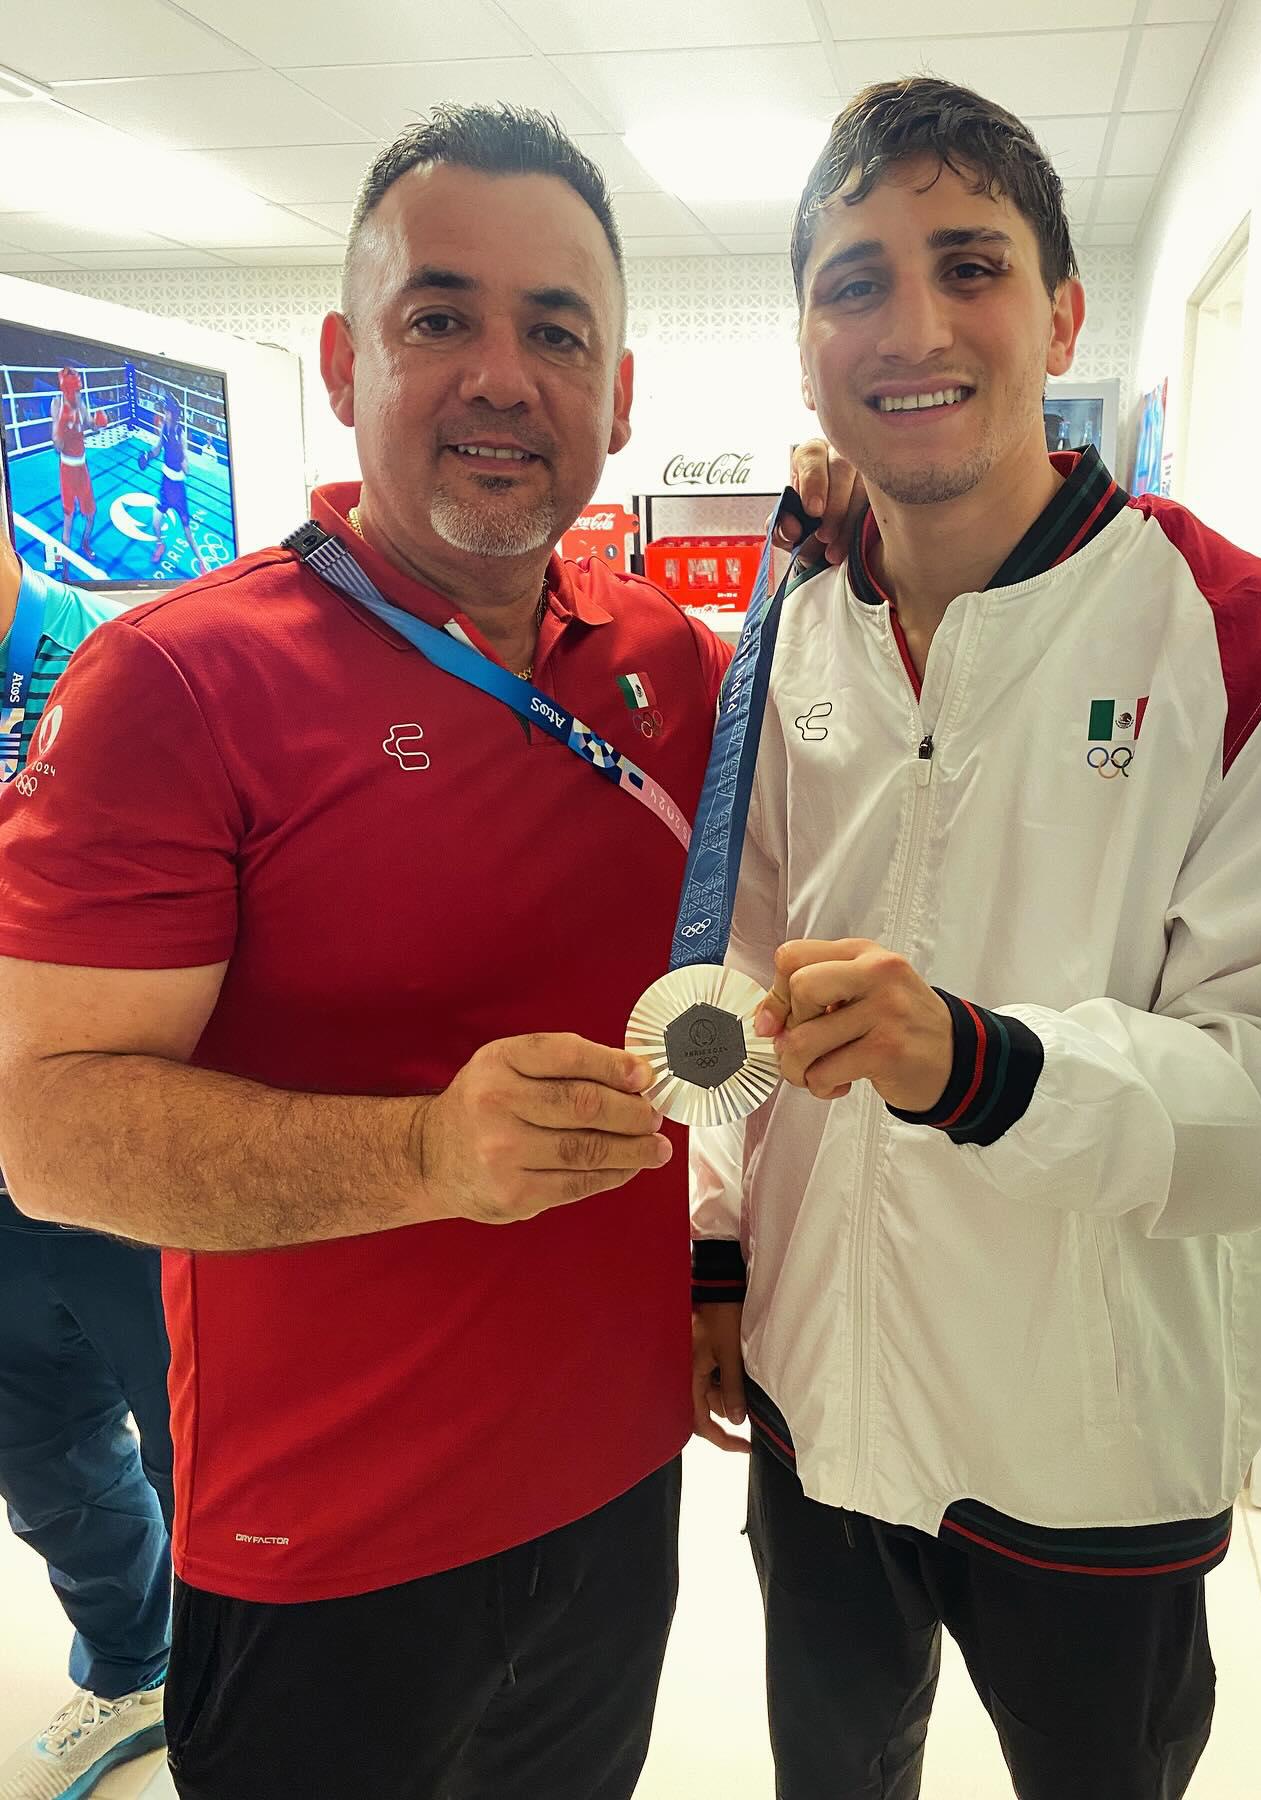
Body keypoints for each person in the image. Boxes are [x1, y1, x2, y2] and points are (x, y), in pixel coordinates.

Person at [691, 77, 1261, 1800]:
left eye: (971, 265)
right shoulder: (790, 636)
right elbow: (734, 971)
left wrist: (990, 1067)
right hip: (819, 1390)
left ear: (1062, 311)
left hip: (1088, 1443)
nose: (915, 324)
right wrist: (720, 1244)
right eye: (855, 280)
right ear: (805, 345)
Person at [0, 103, 729, 1800]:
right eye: (440, 318)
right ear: (345, 360)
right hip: (323, 1541)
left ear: (619, 395)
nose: (499, 373)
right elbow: (44, 1129)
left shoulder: (675, 666)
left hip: (618, 1486)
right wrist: (423, 1150)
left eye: (556, 331)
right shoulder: (175, 687)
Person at [0, 528, 172, 1800]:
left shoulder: (130, 669)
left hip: (128, 1166)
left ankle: (249, 1688)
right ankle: (134, 1670)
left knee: (214, 1455)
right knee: (50, 1465)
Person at [143, 390, 209, 574]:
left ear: (173, 413)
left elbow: (186, 464)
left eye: (166, 410)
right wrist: (148, 456)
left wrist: (182, 460)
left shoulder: (181, 432)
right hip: (166, 484)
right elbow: (157, 449)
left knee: (187, 532)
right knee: (156, 520)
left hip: (178, 488)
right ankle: (160, 544)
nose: (164, 413)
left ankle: (202, 562)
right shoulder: (164, 427)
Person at [50, 367, 97, 564]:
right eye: (75, 390)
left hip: (82, 468)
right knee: (69, 517)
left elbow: (89, 423)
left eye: (79, 390)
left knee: (91, 514)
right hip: (68, 469)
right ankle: (66, 567)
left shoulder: (80, 402)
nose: (77, 393)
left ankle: (85, 543)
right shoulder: (57, 405)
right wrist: (62, 426)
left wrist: (98, 423)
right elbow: (57, 447)